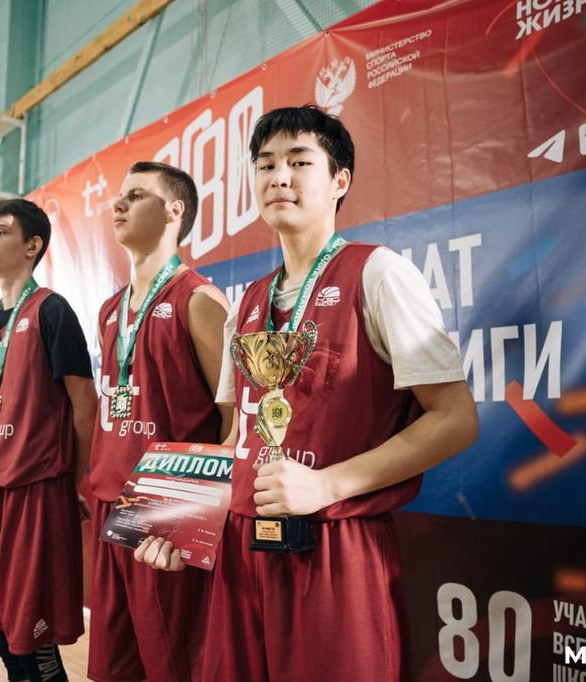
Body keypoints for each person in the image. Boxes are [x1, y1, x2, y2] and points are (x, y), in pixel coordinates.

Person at [138, 106, 479, 681]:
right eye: (266, 164)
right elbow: (238, 433)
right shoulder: (247, 302)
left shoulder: (379, 273)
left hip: (336, 543)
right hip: (243, 547)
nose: (279, 177)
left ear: (339, 181)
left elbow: (455, 419)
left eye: (299, 162)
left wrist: (327, 484)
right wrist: (183, 523)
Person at [87, 163, 230, 682]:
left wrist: (195, 521)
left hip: (169, 512)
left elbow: (234, 421)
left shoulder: (200, 300)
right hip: (110, 504)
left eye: (136, 195)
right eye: (120, 196)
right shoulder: (109, 311)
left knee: (173, 666)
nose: (119, 204)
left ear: (174, 211)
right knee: (114, 668)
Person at [0, 199, 95, 682]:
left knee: (34, 639)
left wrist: (73, 482)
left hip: (35, 490)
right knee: (5, 633)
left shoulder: (52, 310)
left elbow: (84, 403)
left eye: (0, 231)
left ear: (32, 246)